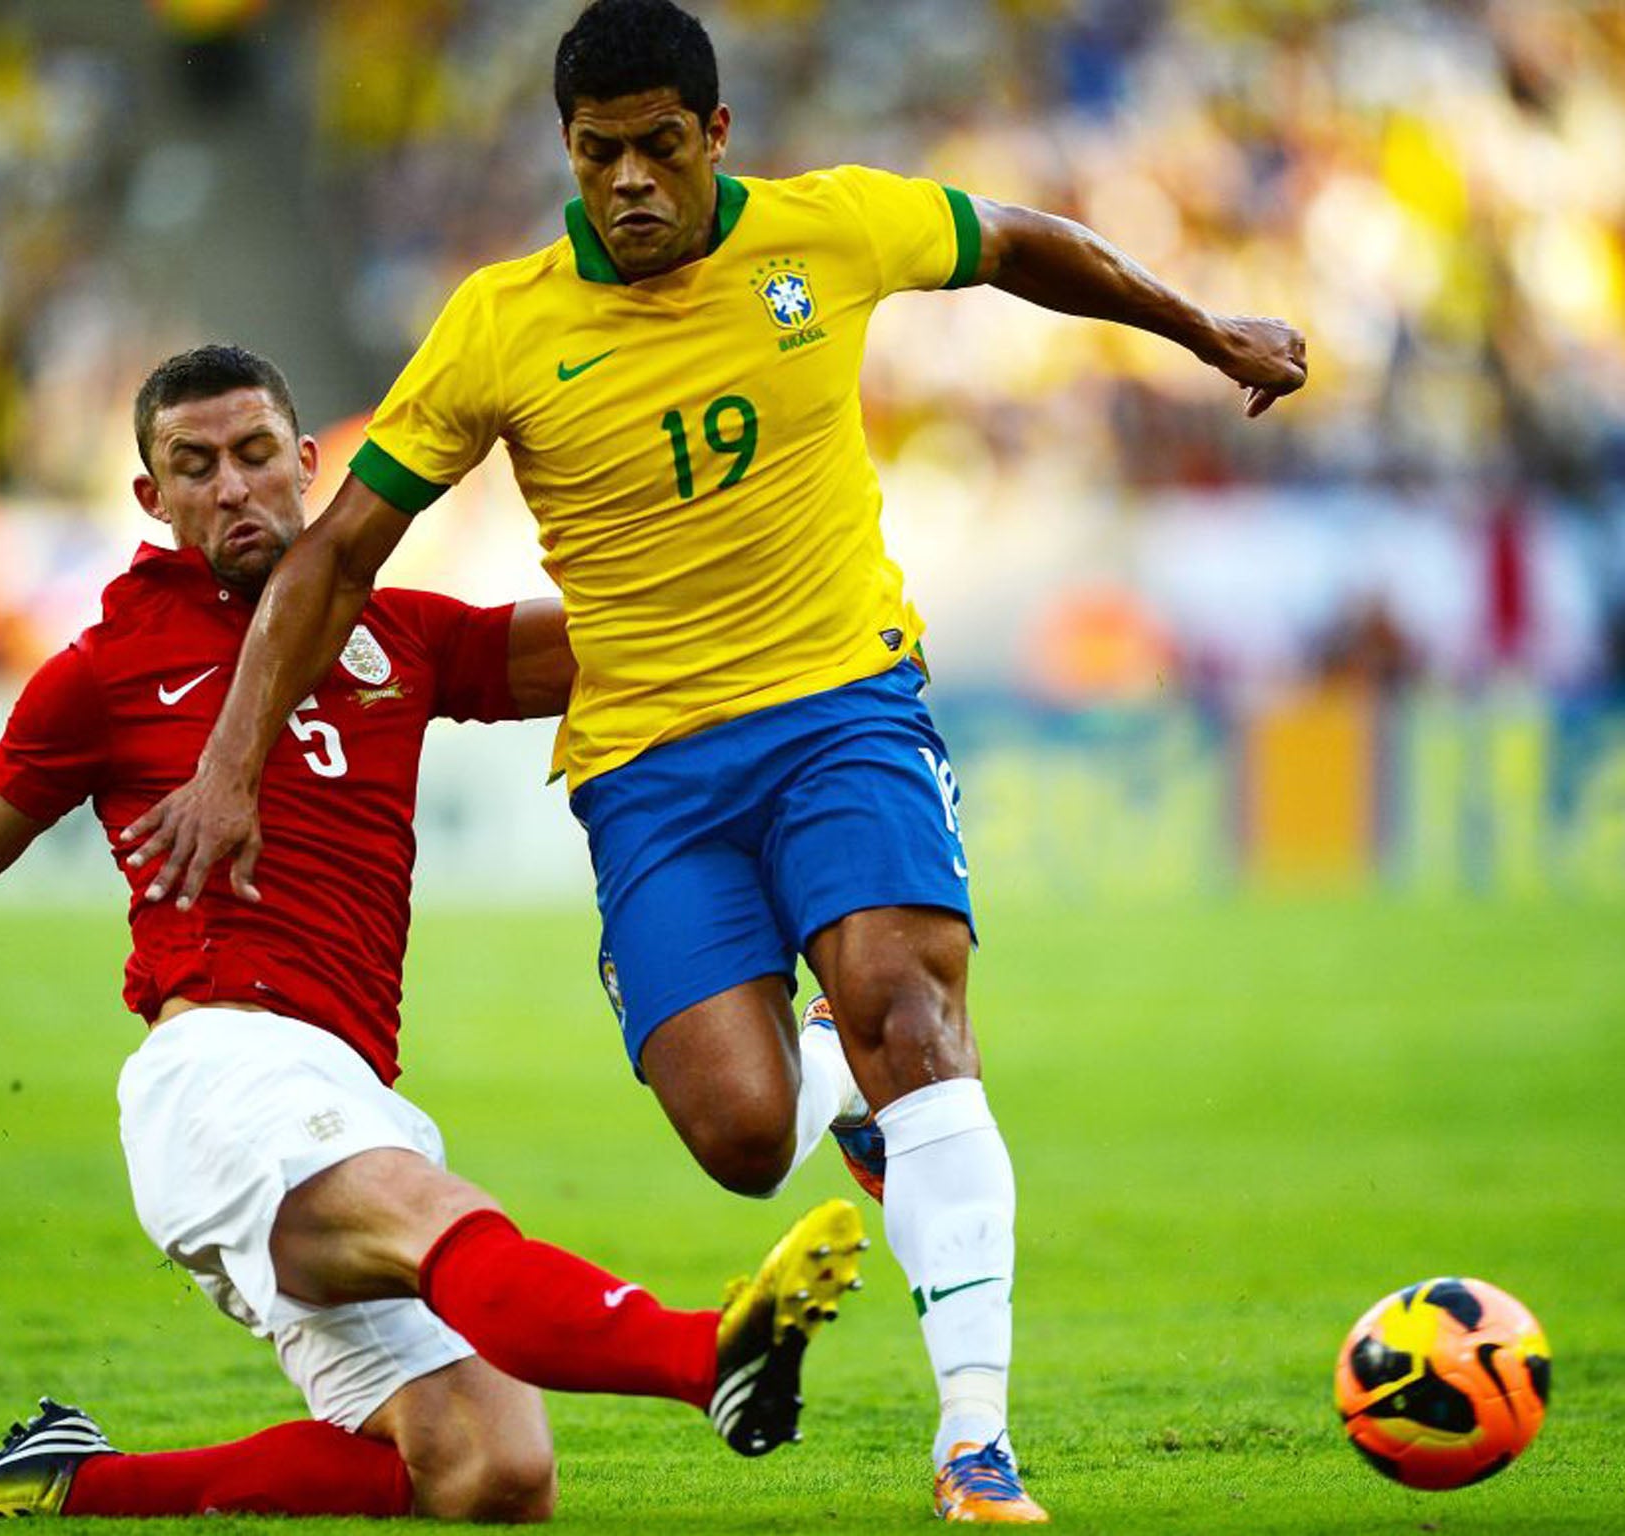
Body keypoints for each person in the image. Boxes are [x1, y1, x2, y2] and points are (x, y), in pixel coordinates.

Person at [116, 2, 1310, 1523]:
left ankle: (975, 1443)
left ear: (716, 137)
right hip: (650, 770)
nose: (629, 182)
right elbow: (341, 547)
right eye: (598, 152)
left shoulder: (837, 228)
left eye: (659, 148)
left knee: (902, 998)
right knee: (745, 1138)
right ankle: (842, 1099)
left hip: (842, 706)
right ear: (568, 149)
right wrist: (231, 764)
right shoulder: (501, 324)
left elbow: (1014, 238)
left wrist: (1207, 330)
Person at [0, 344, 868, 1523]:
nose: (234, 487)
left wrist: (807, 592)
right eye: (194, 467)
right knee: (435, 1221)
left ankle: (62, 1486)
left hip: (345, 1084)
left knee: (489, 1467)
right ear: (151, 498)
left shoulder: (399, 634)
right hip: (221, 1076)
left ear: (311, 463)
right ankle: (709, 1352)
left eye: (256, 451)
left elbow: (640, 649)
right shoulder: (106, 672)